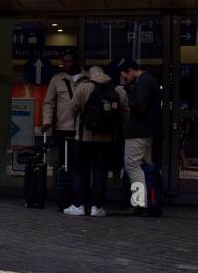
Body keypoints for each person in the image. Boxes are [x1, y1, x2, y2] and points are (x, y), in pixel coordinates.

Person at [66, 65, 129, 217]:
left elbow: (72, 109)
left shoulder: (83, 87)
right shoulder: (118, 90)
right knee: (100, 172)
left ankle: (79, 205)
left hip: (83, 138)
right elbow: (125, 113)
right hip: (107, 139)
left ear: (91, 74)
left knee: (80, 171)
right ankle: (96, 207)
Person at [40, 50, 85, 203]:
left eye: (69, 61)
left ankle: (79, 194)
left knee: (80, 163)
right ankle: (64, 194)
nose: (65, 64)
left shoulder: (87, 79)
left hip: (82, 129)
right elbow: (49, 102)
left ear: (76, 61)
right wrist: (46, 121)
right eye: (64, 61)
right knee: (64, 163)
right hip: (63, 127)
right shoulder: (57, 80)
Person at [119, 58, 162, 215]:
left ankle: (139, 203)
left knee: (132, 166)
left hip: (138, 132)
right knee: (146, 166)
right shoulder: (150, 80)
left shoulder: (142, 82)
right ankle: (151, 201)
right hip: (147, 132)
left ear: (130, 70)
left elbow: (139, 106)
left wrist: (129, 99)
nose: (125, 79)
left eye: (125, 75)